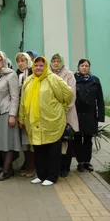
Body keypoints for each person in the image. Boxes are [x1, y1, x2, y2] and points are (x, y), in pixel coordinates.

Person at [19, 56, 73, 186]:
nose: (38, 68)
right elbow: (23, 102)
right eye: (36, 65)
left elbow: (68, 94)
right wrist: (21, 118)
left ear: (45, 66)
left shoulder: (53, 79)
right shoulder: (29, 81)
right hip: (35, 122)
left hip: (52, 121)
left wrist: (63, 108)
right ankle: (41, 175)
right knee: (38, 150)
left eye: (41, 66)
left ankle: (52, 176)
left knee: (53, 150)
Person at [0, 51, 21, 181]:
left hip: (6, 111)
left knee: (8, 141)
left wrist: (12, 115)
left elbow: (14, 97)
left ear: (4, 60)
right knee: (0, 141)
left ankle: (5, 170)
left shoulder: (11, 75)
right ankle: (9, 168)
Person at [50, 53, 79, 177]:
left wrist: (65, 108)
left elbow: (71, 93)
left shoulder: (69, 74)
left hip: (67, 111)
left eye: (58, 61)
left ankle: (65, 167)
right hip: (53, 113)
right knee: (56, 141)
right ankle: (57, 165)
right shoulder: (49, 75)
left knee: (67, 140)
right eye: (53, 61)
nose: (56, 63)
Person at [74, 59, 105, 172]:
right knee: (77, 139)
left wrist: (100, 116)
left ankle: (87, 161)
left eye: (87, 66)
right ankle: (80, 162)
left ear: (89, 67)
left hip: (90, 115)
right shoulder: (73, 79)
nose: (84, 68)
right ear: (78, 67)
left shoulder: (95, 80)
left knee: (88, 139)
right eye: (82, 65)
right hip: (76, 115)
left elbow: (100, 100)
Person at [15, 52, 35, 177]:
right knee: (24, 141)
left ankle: (31, 167)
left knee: (31, 140)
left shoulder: (32, 75)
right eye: (19, 61)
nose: (21, 63)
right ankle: (26, 163)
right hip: (20, 110)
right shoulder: (16, 74)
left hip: (31, 111)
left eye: (23, 61)